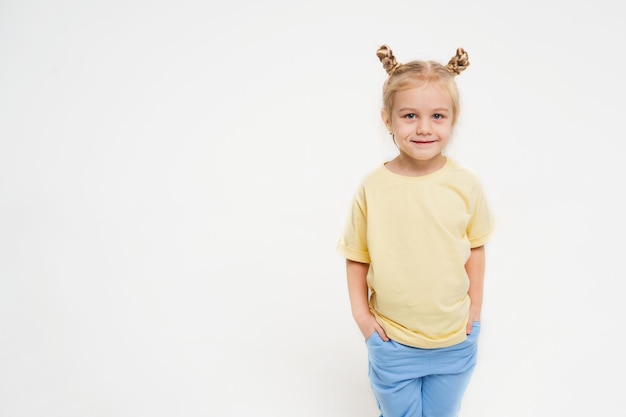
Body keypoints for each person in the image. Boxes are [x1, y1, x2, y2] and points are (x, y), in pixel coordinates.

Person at [337, 44, 495, 417]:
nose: (424, 127)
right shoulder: (372, 187)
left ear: (453, 120)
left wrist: (474, 311)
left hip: (455, 341)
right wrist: (364, 320)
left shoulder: (466, 185)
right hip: (394, 343)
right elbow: (356, 257)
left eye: (437, 115)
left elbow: (475, 247)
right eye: (410, 115)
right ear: (387, 120)